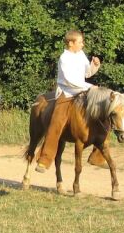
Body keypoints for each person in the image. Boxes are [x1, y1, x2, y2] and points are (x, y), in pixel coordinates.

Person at [36, 30, 101, 173]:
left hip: (83, 91)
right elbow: (70, 81)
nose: (83, 45)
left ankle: (98, 155)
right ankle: (44, 160)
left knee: (101, 112)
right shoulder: (64, 58)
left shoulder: (81, 55)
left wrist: (94, 66)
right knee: (56, 123)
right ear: (71, 43)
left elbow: (87, 73)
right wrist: (89, 87)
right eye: (80, 42)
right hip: (67, 93)